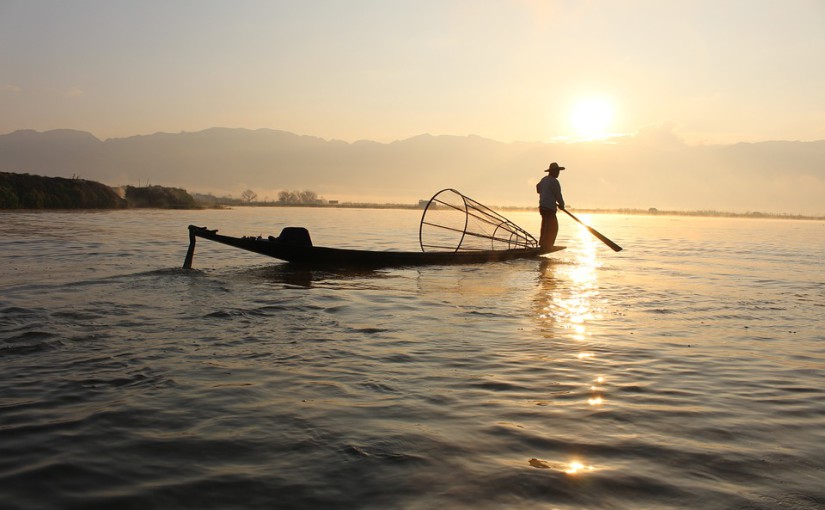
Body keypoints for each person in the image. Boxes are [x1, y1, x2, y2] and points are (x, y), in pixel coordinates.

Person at [536, 162, 566, 251]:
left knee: (545, 226)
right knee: (553, 227)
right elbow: (558, 195)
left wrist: (545, 192)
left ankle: (543, 244)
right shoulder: (554, 181)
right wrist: (562, 204)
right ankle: (547, 245)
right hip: (549, 208)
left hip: (542, 207)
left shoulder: (544, 179)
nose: (558, 173)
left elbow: (538, 188)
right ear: (553, 172)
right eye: (557, 171)